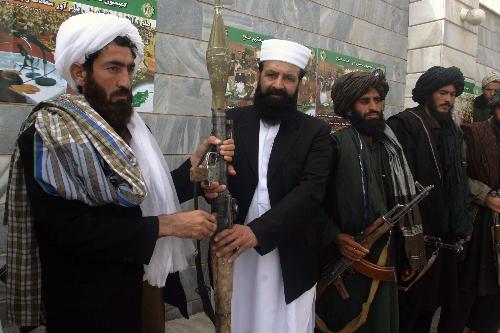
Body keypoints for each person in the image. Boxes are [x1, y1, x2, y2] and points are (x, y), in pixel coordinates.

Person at [4, 13, 234, 333]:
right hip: (88, 301)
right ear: (79, 72)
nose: (126, 80)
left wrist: (190, 174)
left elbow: (139, 194)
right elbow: (69, 230)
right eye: (113, 68)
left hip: (143, 285)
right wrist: (166, 225)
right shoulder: (51, 133)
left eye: (129, 68)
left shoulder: (129, 128)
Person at [211, 39, 332, 333]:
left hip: (289, 248)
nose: (278, 84)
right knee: (237, 315)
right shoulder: (232, 120)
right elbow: (214, 173)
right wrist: (207, 182)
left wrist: (257, 232)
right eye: (272, 75)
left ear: (299, 83)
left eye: (288, 78)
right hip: (235, 245)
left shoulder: (315, 131)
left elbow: (311, 191)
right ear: (259, 75)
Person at [315, 70, 426, 333]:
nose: (374, 107)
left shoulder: (390, 147)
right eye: (364, 101)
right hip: (346, 260)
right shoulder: (335, 145)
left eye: (377, 100)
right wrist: (336, 236)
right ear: (349, 108)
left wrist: (408, 253)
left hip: (385, 256)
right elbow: (311, 202)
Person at [387, 66, 473, 333]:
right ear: (427, 94)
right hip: (415, 238)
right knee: (409, 309)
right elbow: (398, 186)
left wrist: (462, 222)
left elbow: (457, 181)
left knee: (431, 307)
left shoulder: (452, 130)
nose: (448, 99)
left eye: (453, 94)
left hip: (445, 238)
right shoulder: (405, 124)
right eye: (442, 93)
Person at [458, 90, 500, 333]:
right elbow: (455, 178)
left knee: (493, 301)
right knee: (467, 291)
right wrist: (485, 196)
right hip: (478, 225)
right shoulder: (472, 134)